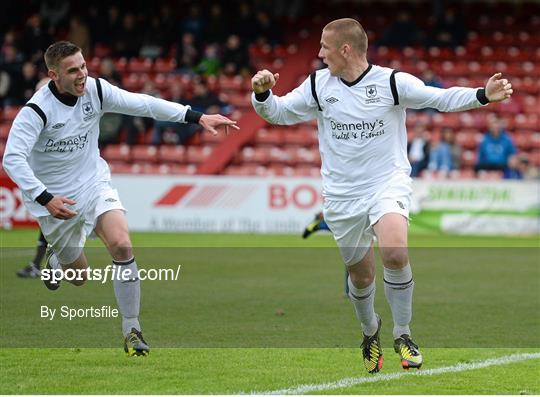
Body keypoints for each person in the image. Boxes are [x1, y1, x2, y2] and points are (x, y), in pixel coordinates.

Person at [251, 18, 512, 374]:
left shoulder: (391, 82)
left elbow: (439, 98)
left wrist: (481, 95)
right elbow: (278, 114)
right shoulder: (316, 85)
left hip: (386, 183)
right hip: (342, 196)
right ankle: (369, 331)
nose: (319, 53)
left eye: (325, 47)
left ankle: (403, 333)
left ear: (345, 49)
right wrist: (262, 94)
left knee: (394, 249)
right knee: (360, 276)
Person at [3, 41, 238, 356]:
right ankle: (58, 259)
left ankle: (132, 330)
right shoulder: (36, 110)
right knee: (81, 277)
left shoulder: (96, 92)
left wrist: (196, 117)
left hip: (94, 184)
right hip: (57, 202)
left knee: (122, 245)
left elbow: (142, 104)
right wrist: (45, 198)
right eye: (73, 70)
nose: (82, 75)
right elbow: (12, 159)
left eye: (83, 66)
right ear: (53, 75)